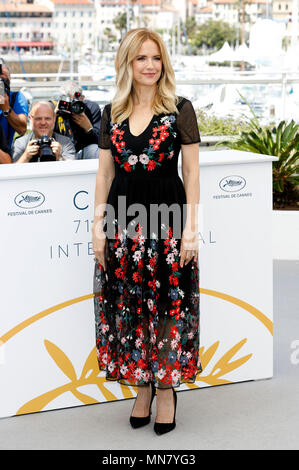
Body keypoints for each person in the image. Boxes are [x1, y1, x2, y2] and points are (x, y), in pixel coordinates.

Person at [92, 28, 202, 436]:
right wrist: (98, 228)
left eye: (156, 58)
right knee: (131, 305)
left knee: (167, 304)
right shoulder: (112, 113)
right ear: (128, 63)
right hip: (122, 221)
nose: (150, 66)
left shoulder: (180, 109)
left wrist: (192, 228)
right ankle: (142, 386)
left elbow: (190, 172)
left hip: (168, 218)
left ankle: (167, 389)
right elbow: (104, 173)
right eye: (142, 58)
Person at [12, 101, 76, 163]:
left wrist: (60, 157)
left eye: (47, 118)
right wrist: (25, 157)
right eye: (38, 118)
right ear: (30, 118)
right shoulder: (21, 143)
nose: (43, 123)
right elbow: (12, 171)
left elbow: (73, 170)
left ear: (54, 119)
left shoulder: (65, 143)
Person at [54, 81, 101, 159]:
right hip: (60, 151)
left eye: (75, 102)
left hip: (83, 150)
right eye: (68, 102)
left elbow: (101, 142)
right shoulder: (54, 109)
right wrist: (54, 115)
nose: (72, 106)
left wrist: (88, 128)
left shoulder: (91, 108)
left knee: (95, 150)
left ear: (82, 98)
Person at [0, 60, 28, 149]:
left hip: (4, 154)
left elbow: (22, 129)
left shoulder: (16, 98)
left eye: (3, 79)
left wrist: (6, 109)